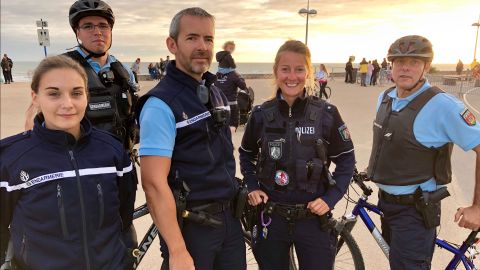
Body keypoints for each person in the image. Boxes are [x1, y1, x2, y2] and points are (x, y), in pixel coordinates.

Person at [0, 55, 136, 270]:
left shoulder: (112, 150)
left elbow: (124, 215)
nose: (68, 104)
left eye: (76, 93)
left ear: (87, 96)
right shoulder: (10, 157)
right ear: (35, 97)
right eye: (54, 93)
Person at [135, 7, 246, 270]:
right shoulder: (160, 105)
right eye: (192, 38)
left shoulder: (213, 91)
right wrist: (177, 249)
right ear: (172, 44)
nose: (202, 46)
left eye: (208, 39)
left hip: (229, 223)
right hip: (192, 229)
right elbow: (153, 184)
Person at [239, 40, 355, 270]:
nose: (292, 76)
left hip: (313, 220)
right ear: (276, 72)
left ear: (309, 72)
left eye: (299, 69)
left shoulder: (327, 114)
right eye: (285, 69)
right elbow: (246, 155)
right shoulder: (261, 115)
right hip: (271, 218)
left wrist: (329, 199)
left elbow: (347, 160)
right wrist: (252, 186)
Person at [366, 35, 480, 270]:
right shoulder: (385, 97)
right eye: (399, 61)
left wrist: (477, 207)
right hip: (386, 204)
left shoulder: (443, 106)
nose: (405, 67)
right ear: (391, 65)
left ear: (426, 66)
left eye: (414, 62)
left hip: (415, 212)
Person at [216, 41, 247, 133]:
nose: (231, 50)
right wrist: (240, 77)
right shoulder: (232, 74)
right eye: (231, 48)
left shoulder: (217, 74)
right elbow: (243, 86)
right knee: (232, 127)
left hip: (220, 105)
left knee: (221, 128)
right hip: (231, 105)